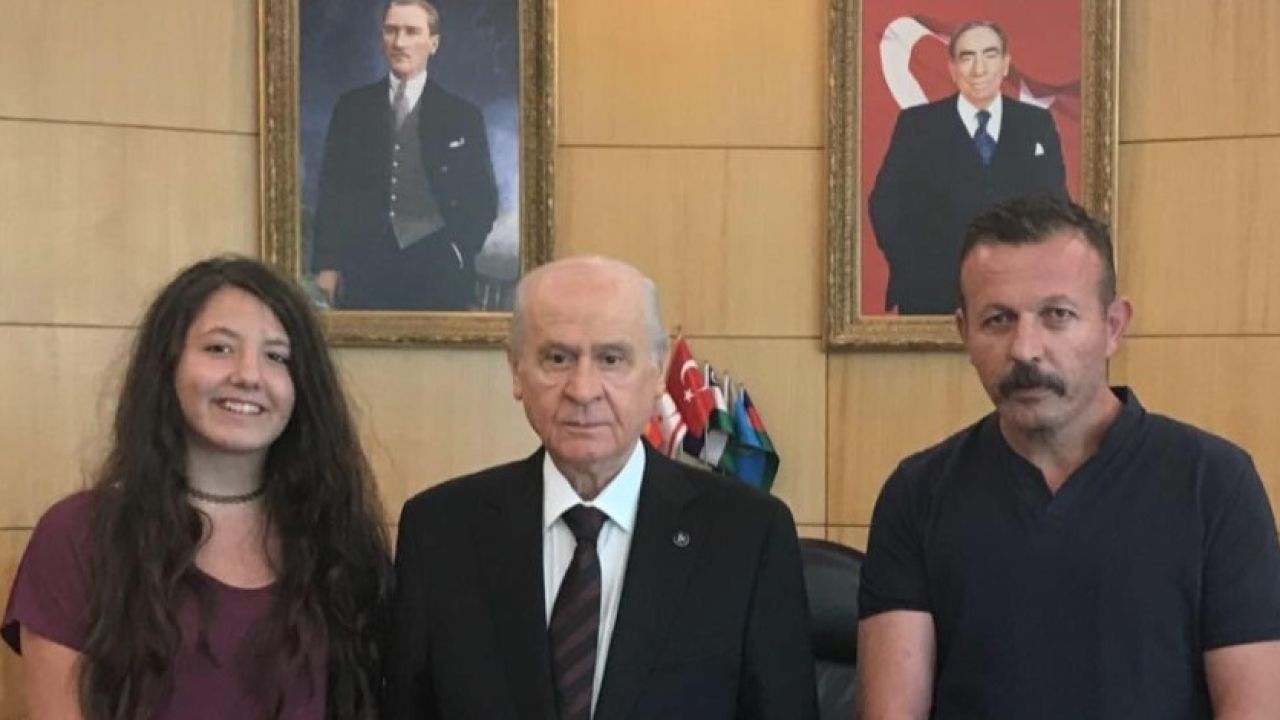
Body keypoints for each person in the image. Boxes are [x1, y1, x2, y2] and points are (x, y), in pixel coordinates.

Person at [857, 195, 1280, 719]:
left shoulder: (1213, 484)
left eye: (1057, 315)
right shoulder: (917, 493)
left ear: (1113, 326)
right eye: (997, 320)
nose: (1025, 349)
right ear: (964, 333)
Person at [385, 256, 818, 719]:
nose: (583, 389)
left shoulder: (748, 536)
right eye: (557, 358)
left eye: (611, 359)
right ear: (516, 370)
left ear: (657, 371)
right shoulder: (439, 533)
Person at [2, 257, 393, 719]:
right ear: (167, 366)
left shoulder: (341, 540)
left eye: (276, 356)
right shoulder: (79, 534)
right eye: (219, 348)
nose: (248, 375)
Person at [868, 20, 1069, 315]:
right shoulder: (918, 125)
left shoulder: (1035, 124)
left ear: (1005, 64)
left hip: (1018, 296)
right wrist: (914, 268)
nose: (979, 69)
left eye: (990, 55)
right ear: (952, 68)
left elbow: (1056, 206)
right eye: (967, 57)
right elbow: (885, 204)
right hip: (932, 296)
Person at [313, 0, 498, 311]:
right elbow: (332, 192)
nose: (399, 42)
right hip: (364, 266)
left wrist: (458, 249)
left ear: (433, 43)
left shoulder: (462, 115)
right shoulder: (352, 108)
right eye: (391, 31)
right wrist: (328, 265)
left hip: (438, 267)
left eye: (412, 32)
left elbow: (483, 198)